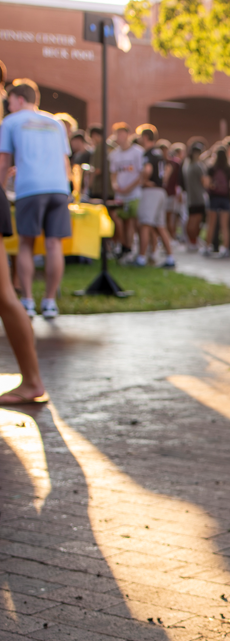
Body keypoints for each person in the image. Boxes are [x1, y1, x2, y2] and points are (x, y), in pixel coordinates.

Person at [0, 79, 72, 321]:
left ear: (20, 100)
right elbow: (65, 162)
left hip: (29, 188)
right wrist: (67, 188)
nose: (8, 107)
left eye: (9, 103)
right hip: (58, 188)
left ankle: (28, 300)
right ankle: (50, 302)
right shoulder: (56, 123)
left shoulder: (10, 122)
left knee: (26, 245)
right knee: (54, 245)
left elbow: (3, 161)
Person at [0, 64, 47, 405]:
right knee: (4, 295)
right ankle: (31, 381)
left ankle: (32, 381)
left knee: (5, 296)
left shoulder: (11, 119)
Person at [134, 124, 174, 267]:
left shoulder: (148, 154)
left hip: (151, 191)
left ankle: (141, 258)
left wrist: (144, 180)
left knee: (145, 224)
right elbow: (168, 169)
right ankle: (170, 257)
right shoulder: (159, 154)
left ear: (145, 137)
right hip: (161, 191)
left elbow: (147, 169)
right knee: (160, 225)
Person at [108, 122, 144, 257]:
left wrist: (129, 188)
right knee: (117, 218)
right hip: (120, 193)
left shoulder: (138, 152)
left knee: (131, 220)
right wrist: (115, 185)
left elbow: (141, 175)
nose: (119, 137)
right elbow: (113, 173)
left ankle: (129, 247)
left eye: (122, 134)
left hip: (133, 193)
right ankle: (123, 245)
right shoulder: (114, 154)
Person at [203, 146, 230, 258]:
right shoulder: (229, 169)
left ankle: (207, 247)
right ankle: (226, 248)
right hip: (225, 199)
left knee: (211, 224)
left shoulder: (212, 169)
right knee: (224, 226)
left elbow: (207, 184)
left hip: (214, 198)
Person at [181, 139, 206, 251]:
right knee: (195, 221)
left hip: (191, 197)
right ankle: (193, 240)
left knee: (191, 219)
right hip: (198, 197)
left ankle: (191, 241)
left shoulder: (187, 165)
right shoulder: (197, 166)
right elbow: (204, 182)